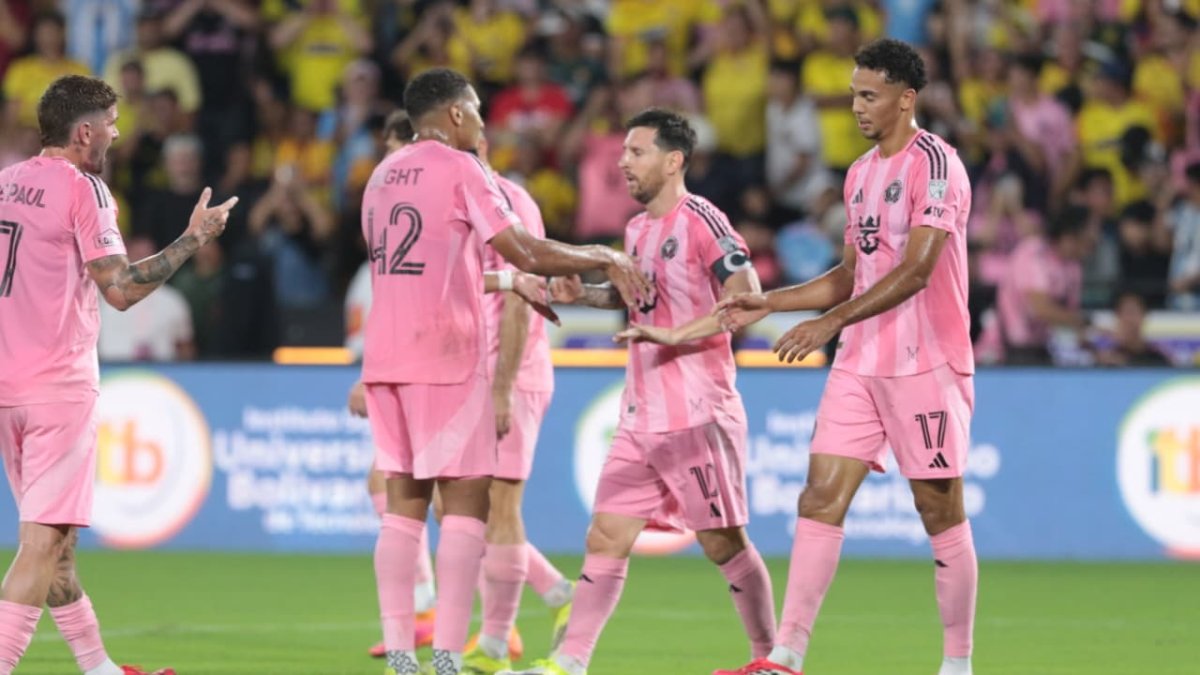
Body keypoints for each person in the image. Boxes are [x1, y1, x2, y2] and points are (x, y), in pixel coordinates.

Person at [364, 67, 648, 675]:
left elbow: (427, 267)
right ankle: (445, 655)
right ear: (458, 115)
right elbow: (524, 248)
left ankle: (399, 659)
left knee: (401, 505)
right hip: (446, 353)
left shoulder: (381, 176)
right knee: (469, 508)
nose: (485, 124)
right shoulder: (464, 169)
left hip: (386, 354)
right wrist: (603, 253)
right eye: (479, 112)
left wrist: (516, 279)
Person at [714, 38, 977, 675]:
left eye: (869, 95)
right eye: (855, 93)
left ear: (905, 98)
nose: (856, 106)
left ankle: (958, 663)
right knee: (818, 497)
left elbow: (916, 271)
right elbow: (849, 275)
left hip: (927, 361)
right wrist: (770, 302)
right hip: (859, 362)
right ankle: (786, 656)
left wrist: (827, 322)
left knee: (937, 507)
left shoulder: (937, 166)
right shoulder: (859, 174)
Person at [501, 109, 777, 675]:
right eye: (623, 152)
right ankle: (569, 662)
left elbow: (747, 297)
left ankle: (769, 659)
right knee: (605, 532)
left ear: (673, 161)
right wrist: (580, 294)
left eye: (636, 152)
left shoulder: (704, 220)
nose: (622, 162)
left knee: (723, 542)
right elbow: (637, 299)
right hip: (640, 409)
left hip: (698, 411)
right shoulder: (635, 230)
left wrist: (678, 333)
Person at [0, 74, 238, 675]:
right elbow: (123, 290)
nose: (117, 131)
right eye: (110, 122)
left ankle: (101, 669)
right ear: (85, 132)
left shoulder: (6, 183)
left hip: (8, 388)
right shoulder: (86, 190)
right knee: (41, 546)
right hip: (58, 387)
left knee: (58, 552)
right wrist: (192, 238)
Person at [461, 136, 576, 674]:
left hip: (508, 375)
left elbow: (520, 296)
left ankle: (492, 647)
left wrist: (503, 385)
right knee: (459, 508)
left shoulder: (509, 203)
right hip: (467, 379)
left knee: (500, 508)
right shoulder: (455, 205)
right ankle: (557, 594)